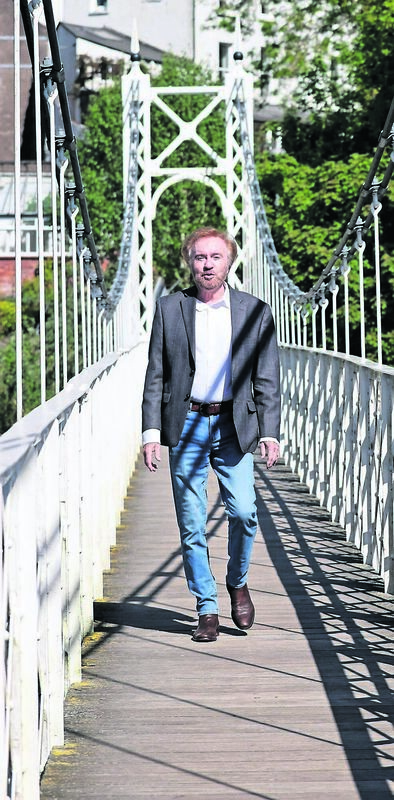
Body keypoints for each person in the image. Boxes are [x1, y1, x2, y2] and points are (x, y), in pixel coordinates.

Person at [142, 227, 280, 642]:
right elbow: (156, 375)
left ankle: (237, 580)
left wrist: (270, 433)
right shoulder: (169, 309)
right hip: (185, 426)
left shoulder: (255, 311)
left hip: (235, 425)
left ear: (229, 262)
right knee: (192, 522)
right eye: (200, 257)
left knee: (243, 512)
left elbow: (267, 378)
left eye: (215, 257)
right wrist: (150, 431)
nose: (207, 264)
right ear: (190, 262)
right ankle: (207, 608)